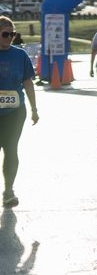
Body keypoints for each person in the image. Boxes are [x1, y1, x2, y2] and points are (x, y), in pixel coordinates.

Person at [0, 17, 38, 208]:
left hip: (15, 112)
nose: (9, 37)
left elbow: (28, 83)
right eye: (5, 34)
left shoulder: (20, 55)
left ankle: (8, 191)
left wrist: (34, 109)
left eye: (12, 34)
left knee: (11, 149)